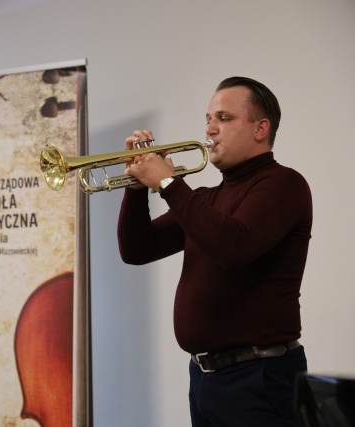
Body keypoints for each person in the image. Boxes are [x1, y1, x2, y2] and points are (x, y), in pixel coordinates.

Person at [117, 76, 313, 427]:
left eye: (224, 118)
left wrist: (168, 182)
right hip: (205, 378)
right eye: (208, 119)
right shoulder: (205, 199)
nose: (210, 129)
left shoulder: (284, 184)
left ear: (260, 128)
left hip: (260, 376)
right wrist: (135, 186)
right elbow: (136, 249)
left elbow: (233, 247)